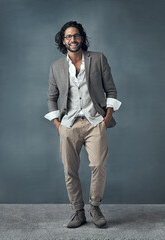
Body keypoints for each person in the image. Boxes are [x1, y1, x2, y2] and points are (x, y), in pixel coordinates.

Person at [44, 21, 121, 228]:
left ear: (82, 38)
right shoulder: (56, 66)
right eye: (68, 37)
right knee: (70, 169)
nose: (73, 39)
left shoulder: (98, 59)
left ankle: (94, 207)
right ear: (63, 40)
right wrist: (57, 124)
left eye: (76, 35)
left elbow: (111, 90)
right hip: (68, 125)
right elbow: (52, 97)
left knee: (98, 165)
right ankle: (78, 212)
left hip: (95, 121)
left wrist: (106, 118)